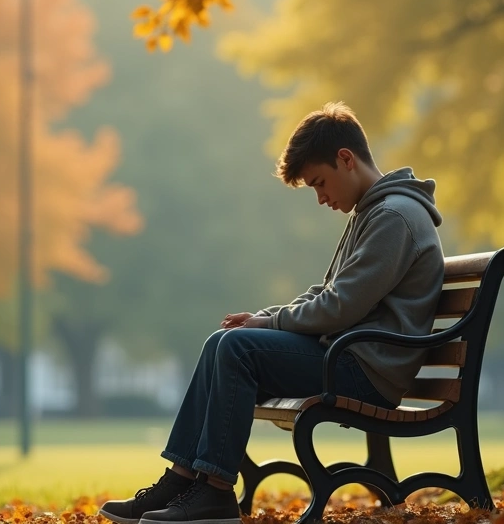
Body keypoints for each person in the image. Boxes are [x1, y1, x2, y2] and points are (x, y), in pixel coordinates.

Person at [99, 102, 445, 524]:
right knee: (222, 342)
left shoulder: (393, 217)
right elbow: (329, 293)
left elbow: (340, 307)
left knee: (238, 349)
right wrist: (265, 316)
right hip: (350, 355)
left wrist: (270, 323)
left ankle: (215, 492)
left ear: (346, 159)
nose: (321, 198)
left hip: (366, 370)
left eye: (320, 183)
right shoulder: (376, 212)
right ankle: (181, 479)